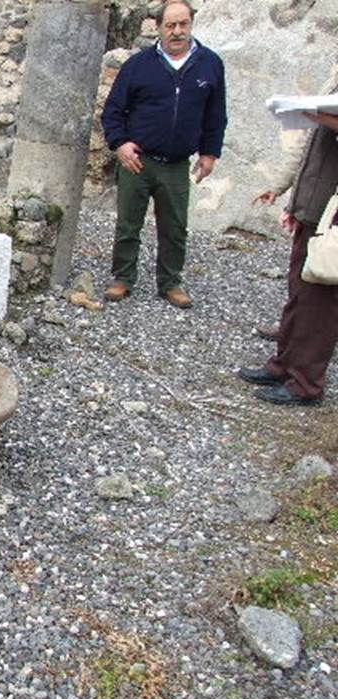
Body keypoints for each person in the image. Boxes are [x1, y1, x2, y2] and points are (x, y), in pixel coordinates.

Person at [100, 0, 227, 309]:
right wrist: (120, 144)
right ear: (158, 28)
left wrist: (210, 153)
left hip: (176, 164)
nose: (177, 31)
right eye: (170, 26)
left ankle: (170, 282)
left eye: (183, 24)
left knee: (174, 227)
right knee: (128, 224)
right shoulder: (139, 65)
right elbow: (113, 110)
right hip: (137, 160)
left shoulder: (210, 64)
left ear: (191, 24)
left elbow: (216, 113)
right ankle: (123, 277)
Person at [240, 71, 338, 406]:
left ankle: (306, 384)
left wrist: (329, 120)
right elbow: (310, 148)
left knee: (320, 303)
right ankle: (284, 365)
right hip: (313, 207)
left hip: (332, 214)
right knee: (299, 292)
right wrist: (287, 193)